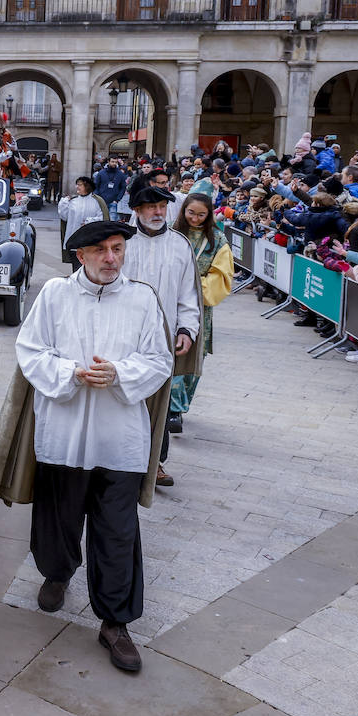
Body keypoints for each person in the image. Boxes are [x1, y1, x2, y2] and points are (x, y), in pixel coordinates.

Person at [0, 219, 173, 672]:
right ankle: (57, 571)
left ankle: (115, 622)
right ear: (80, 256)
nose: (111, 258)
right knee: (58, 518)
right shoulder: (54, 295)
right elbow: (30, 351)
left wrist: (120, 374)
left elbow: (158, 360)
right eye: (101, 250)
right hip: (63, 434)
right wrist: (70, 374)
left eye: (118, 249)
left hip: (119, 438)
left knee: (117, 532)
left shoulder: (143, 299)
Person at [122, 180, 201, 487]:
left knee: (160, 402)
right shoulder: (123, 243)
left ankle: (157, 463)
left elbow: (188, 294)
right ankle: (123, 460)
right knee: (125, 397)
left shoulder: (180, 245)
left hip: (164, 337)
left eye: (161, 206)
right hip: (125, 335)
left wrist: (187, 329)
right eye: (150, 207)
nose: (157, 212)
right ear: (137, 210)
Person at [167, 194, 233, 426]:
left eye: (201, 214)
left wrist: (192, 289)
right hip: (166, 302)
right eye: (190, 212)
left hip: (197, 306)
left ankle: (177, 407)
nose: (195, 218)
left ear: (209, 214)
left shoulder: (217, 239)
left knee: (192, 354)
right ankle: (164, 403)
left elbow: (222, 275)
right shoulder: (171, 234)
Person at [57, 177, 109, 264]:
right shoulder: (73, 201)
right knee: (76, 265)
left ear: (87, 186)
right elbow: (64, 217)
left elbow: (102, 219)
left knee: (89, 265)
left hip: (91, 241)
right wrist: (64, 203)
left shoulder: (97, 201)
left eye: (80, 185)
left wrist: (89, 221)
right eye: (77, 184)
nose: (77, 187)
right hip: (74, 239)